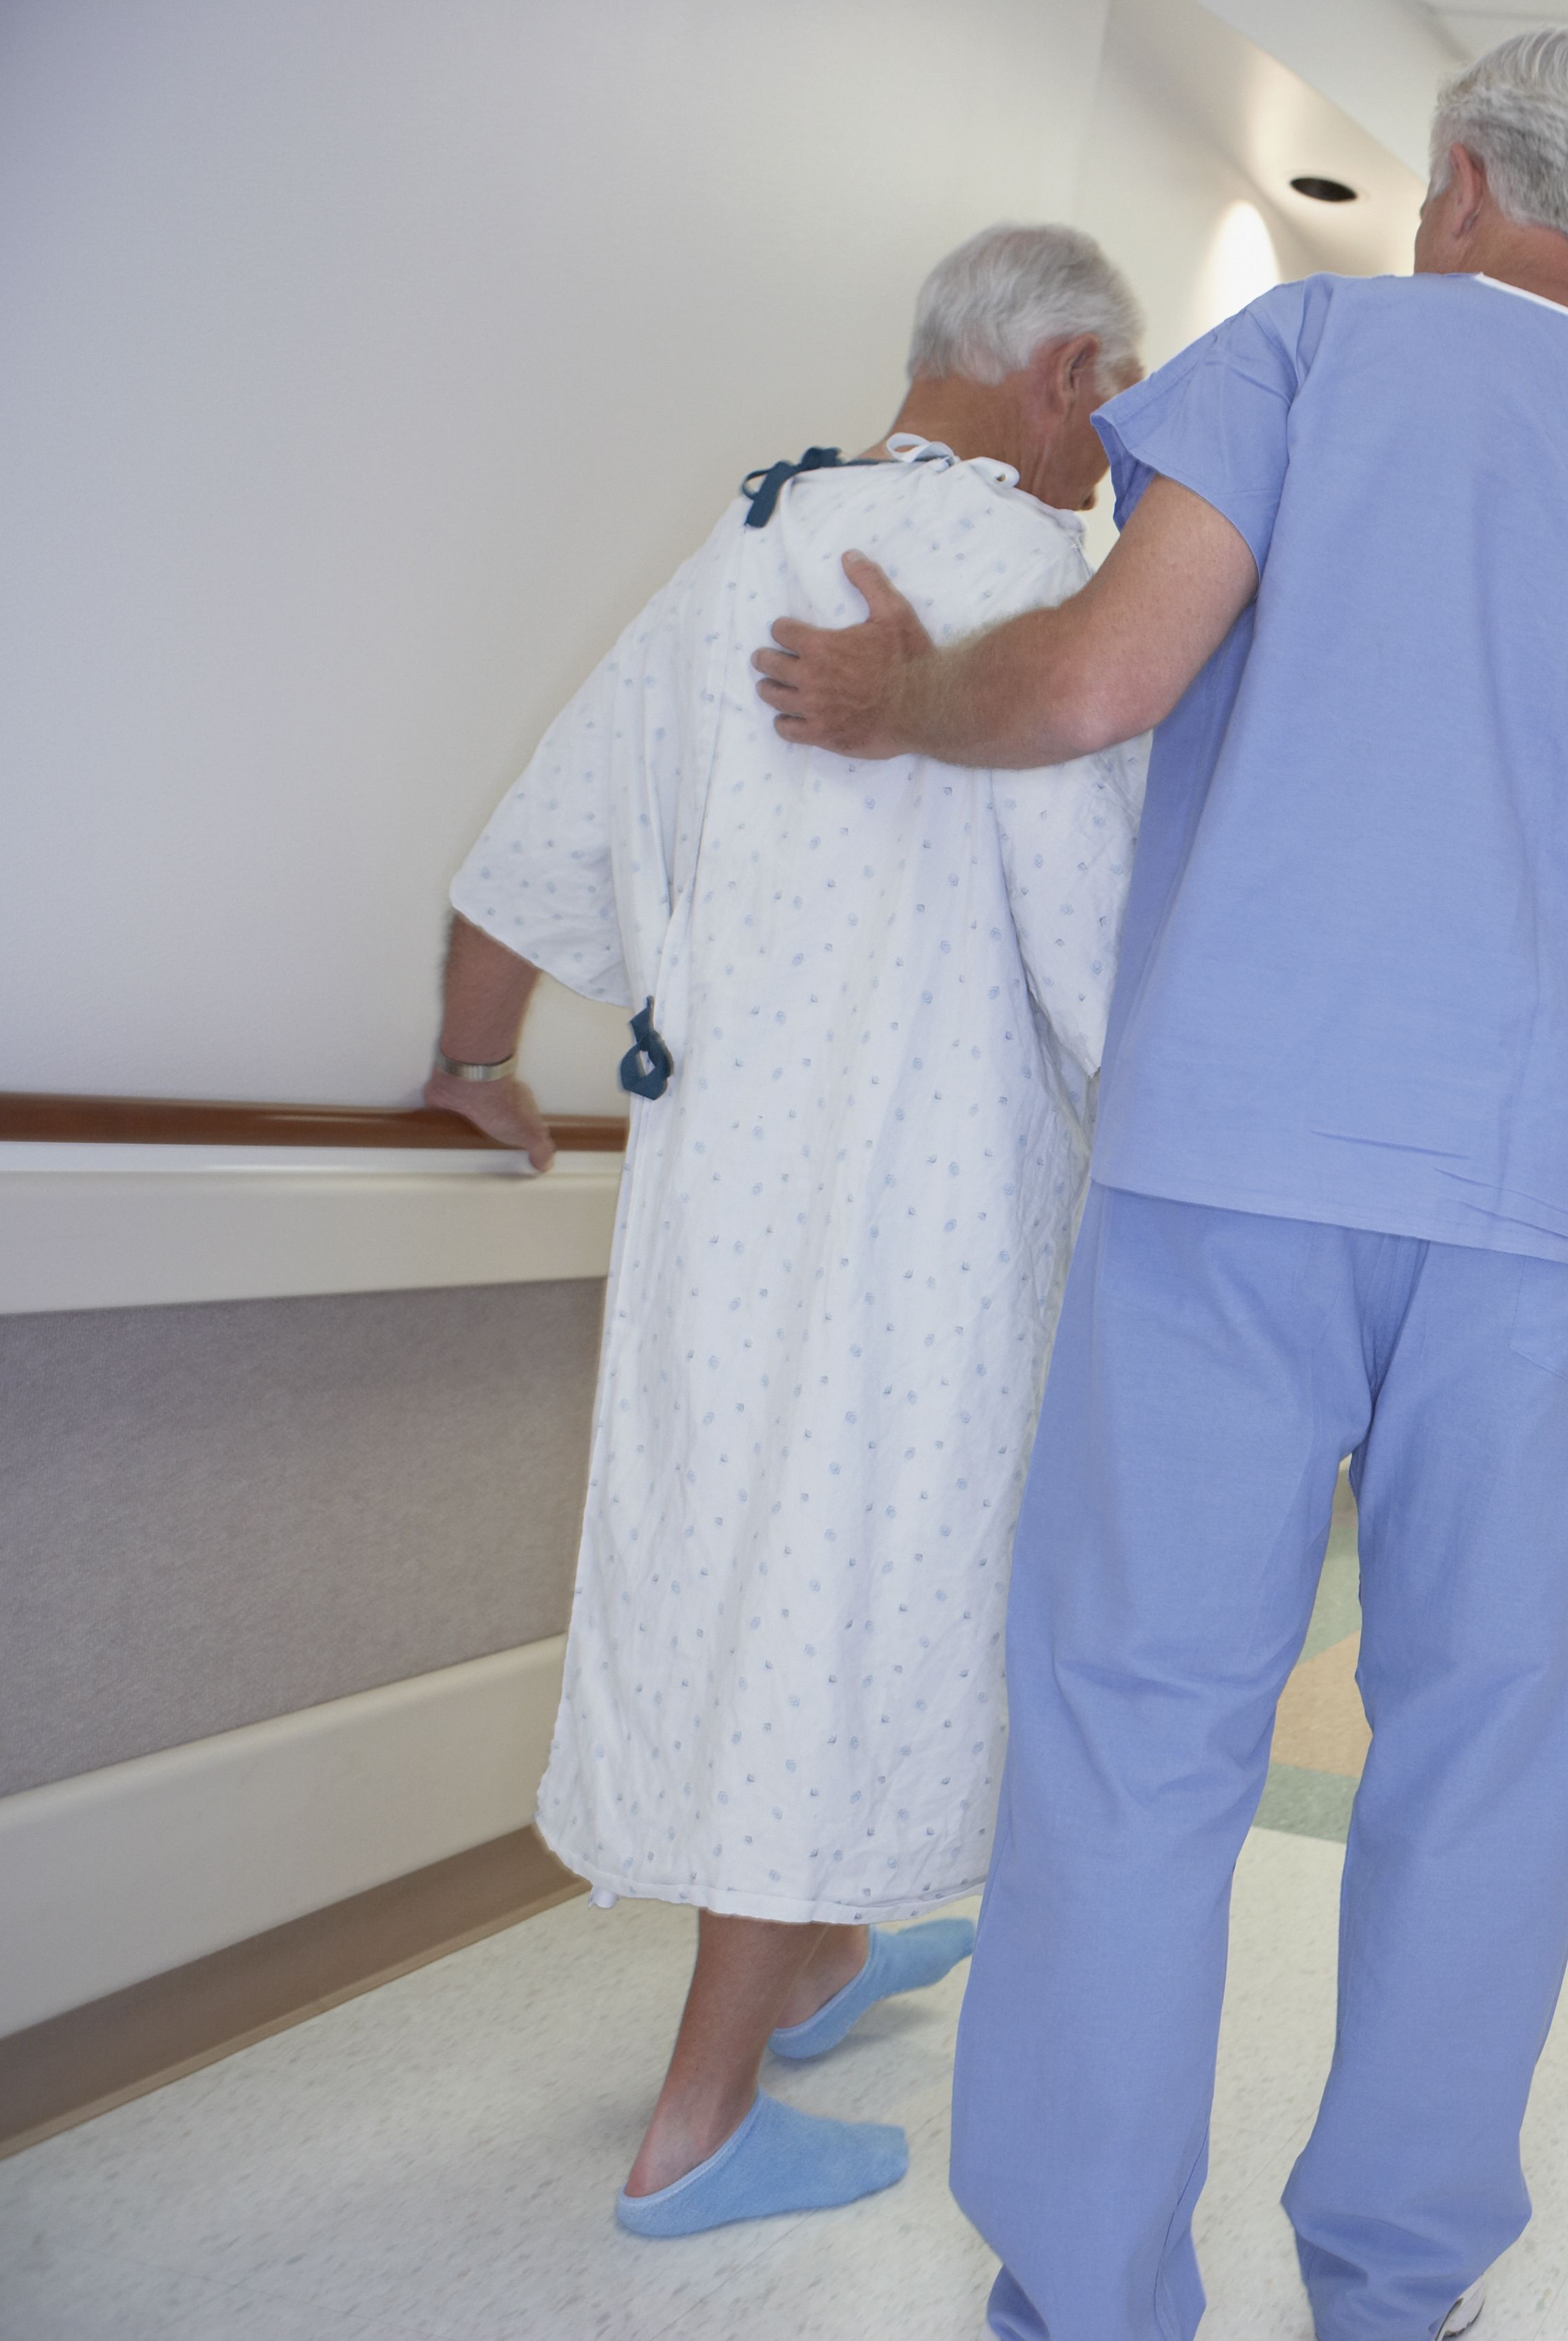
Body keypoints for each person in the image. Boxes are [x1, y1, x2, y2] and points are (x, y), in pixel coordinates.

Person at [750, 29, 1568, 2340]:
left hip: (1245, 1156)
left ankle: (1092, 2298)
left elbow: (1101, 686)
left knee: (1139, 1723)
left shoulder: (1318, 346)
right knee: (1491, 1759)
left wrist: (910, 690)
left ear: (1452, 181)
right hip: (1553, 1209)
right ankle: (1394, 2295)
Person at [422, 221, 1149, 2237]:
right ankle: (701, 2122)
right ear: (1070, 372)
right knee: (847, 1609)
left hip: (714, 1189)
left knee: (747, 1567)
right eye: (1118, 410)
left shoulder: (739, 543)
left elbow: (535, 854)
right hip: (919, 1212)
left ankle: (819, 1964)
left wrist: (474, 1059)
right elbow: (1101, 961)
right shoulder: (1029, 581)